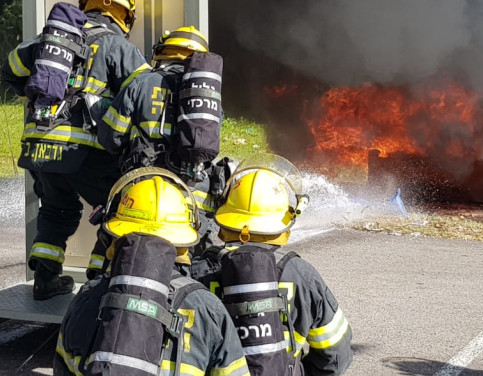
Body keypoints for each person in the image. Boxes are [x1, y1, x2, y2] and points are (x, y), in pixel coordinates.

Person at [3, 0, 150, 300]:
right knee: (119, 208)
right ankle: (100, 280)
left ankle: (45, 279)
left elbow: (11, 68)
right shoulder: (116, 45)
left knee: (56, 209)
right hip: (85, 150)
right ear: (125, 17)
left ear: (89, 7)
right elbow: (146, 92)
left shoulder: (50, 40)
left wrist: (35, 97)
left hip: (40, 146)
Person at [54, 167, 250, 376]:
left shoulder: (87, 298)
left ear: (111, 236)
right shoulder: (207, 307)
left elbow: (63, 367)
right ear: (184, 240)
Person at [192, 155, 353, 376]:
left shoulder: (199, 270)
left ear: (225, 218)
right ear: (283, 224)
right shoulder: (300, 274)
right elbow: (336, 353)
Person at [97, 26, 227, 259]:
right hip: (193, 191)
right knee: (190, 253)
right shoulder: (208, 95)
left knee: (125, 248)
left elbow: (112, 137)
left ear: (162, 52)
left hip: (144, 187)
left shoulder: (141, 83)